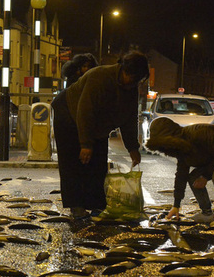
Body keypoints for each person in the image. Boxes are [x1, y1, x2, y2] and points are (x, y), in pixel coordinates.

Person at [51, 50, 150, 219]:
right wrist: (86, 144)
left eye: (138, 81)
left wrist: (133, 148)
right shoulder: (100, 77)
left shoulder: (130, 89)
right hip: (68, 113)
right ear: (125, 71)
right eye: (133, 79)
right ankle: (76, 205)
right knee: (73, 162)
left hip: (98, 124)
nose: (134, 84)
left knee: (98, 163)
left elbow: (129, 119)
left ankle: (96, 204)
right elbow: (85, 111)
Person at [145, 117, 214, 227]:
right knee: (193, 177)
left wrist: (205, 176)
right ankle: (206, 213)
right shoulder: (180, 146)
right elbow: (181, 175)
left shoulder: (197, 134)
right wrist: (176, 206)